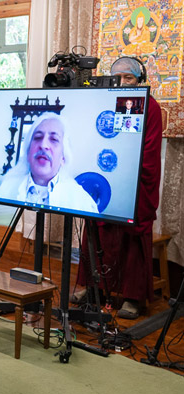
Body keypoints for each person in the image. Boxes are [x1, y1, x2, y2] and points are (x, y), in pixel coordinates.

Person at [74, 56, 163, 319]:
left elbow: (148, 150)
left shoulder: (150, 107)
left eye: (130, 78)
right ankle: (93, 288)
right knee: (97, 229)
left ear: (140, 80)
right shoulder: (106, 105)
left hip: (134, 180)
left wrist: (126, 175)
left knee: (130, 236)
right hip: (105, 175)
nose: (124, 82)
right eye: (118, 78)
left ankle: (132, 296)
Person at [0, 112, 98, 213]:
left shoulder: (82, 203)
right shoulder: (3, 190)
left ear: (63, 157)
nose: (43, 145)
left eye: (54, 139)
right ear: (27, 154)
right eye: (38, 137)